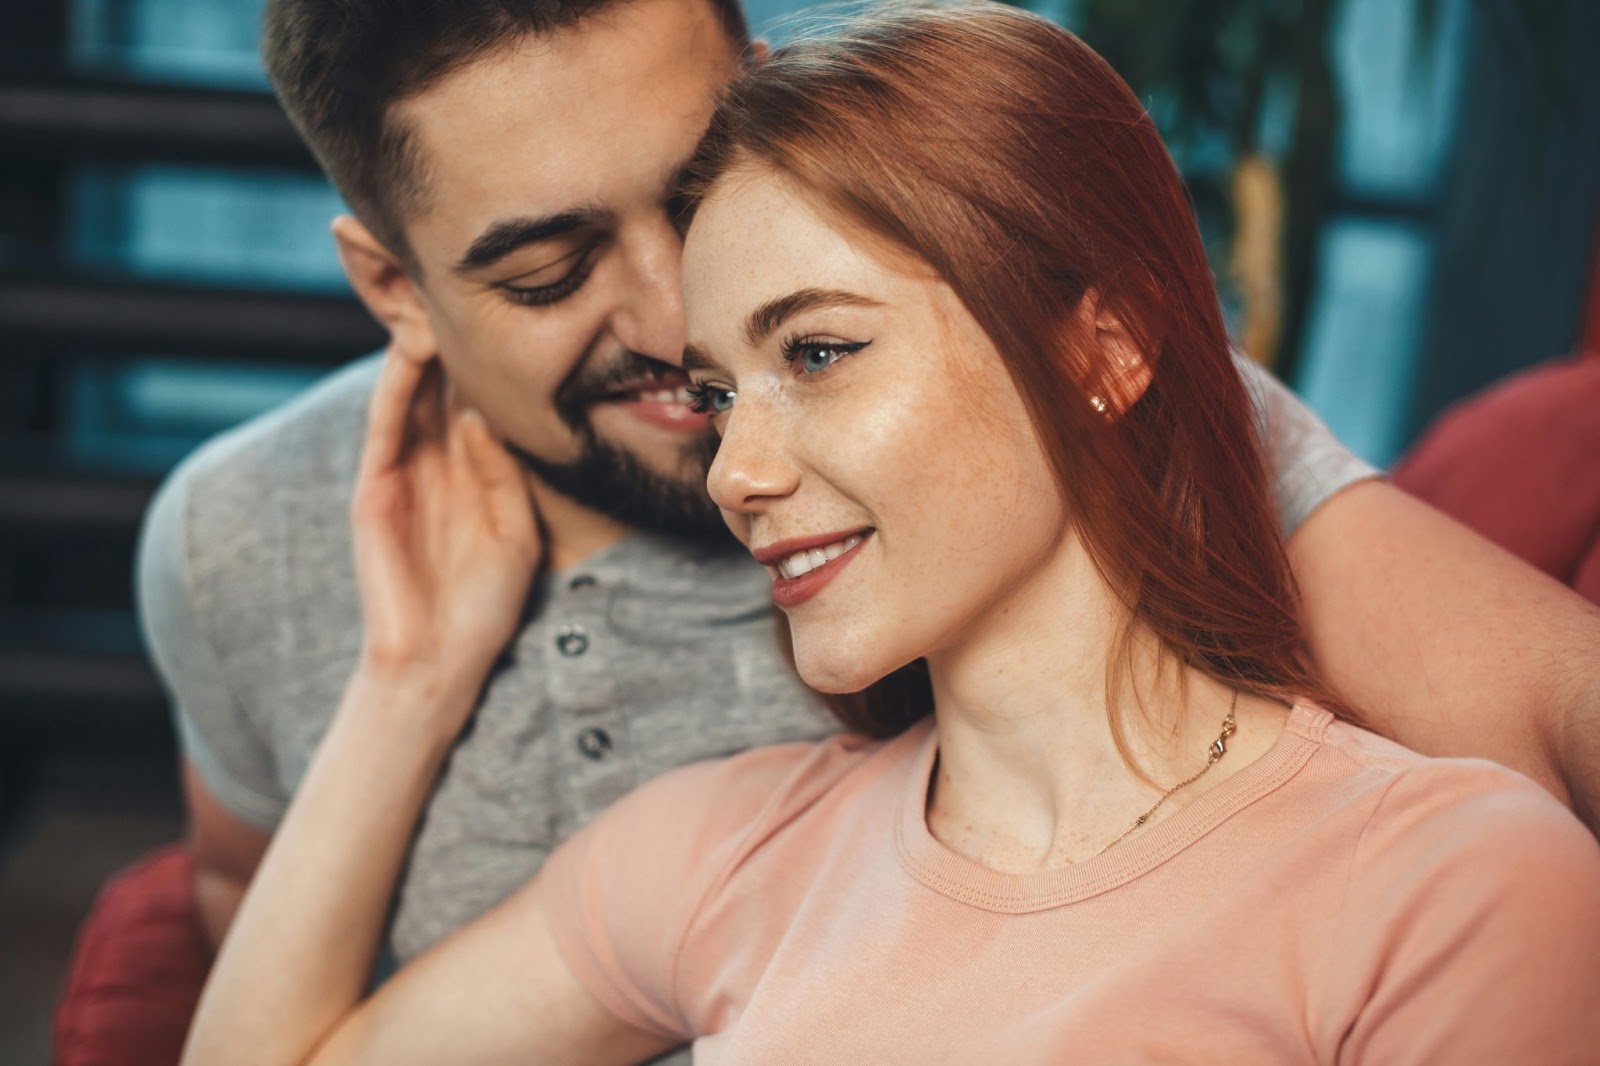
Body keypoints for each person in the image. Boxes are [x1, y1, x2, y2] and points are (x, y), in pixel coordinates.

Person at [182, 5, 1600, 1062]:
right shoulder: (725, 857)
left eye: (817, 355)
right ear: (398, 285)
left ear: (1105, 348)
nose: (729, 464)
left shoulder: (1451, 885)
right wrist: (410, 672)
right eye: (724, 392)